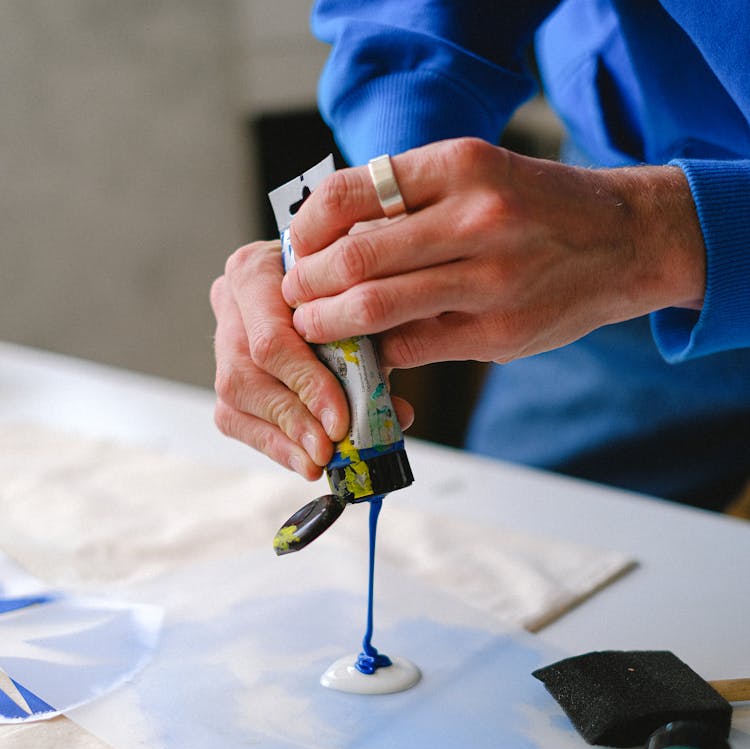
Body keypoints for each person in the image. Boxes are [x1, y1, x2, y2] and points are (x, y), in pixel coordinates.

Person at [211, 1, 750, 511]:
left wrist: (661, 235)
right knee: (517, 547)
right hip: (601, 219)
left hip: (619, 237)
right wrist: (398, 200)